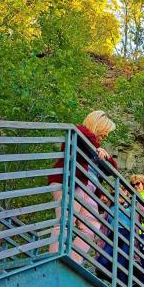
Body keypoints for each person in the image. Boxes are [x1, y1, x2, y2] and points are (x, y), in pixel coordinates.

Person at [50, 111, 116, 263]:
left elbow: (113, 168)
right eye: (105, 131)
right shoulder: (80, 132)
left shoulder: (95, 147)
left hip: (89, 189)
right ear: (98, 125)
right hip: (71, 184)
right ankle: (55, 258)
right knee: (66, 220)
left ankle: (74, 261)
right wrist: (96, 147)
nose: (106, 135)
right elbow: (82, 135)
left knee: (91, 228)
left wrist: (105, 155)